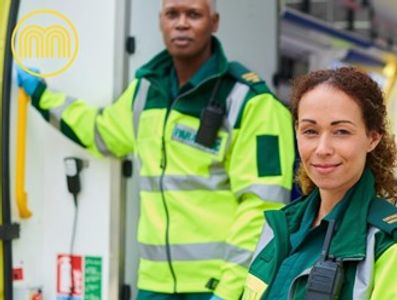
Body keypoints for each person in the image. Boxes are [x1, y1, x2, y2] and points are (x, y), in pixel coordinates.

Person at [17, 0, 295, 299]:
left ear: (214, 23)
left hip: (216, 287)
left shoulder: (252, 103)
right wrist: (43, 97)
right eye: (172, 14)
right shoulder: (147, 91)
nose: (182, 23)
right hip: (155, 286)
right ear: (160, 21)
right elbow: (101, 132)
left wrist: (230, 290)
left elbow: (262, 208)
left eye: (194, 14)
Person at [242, 66, 397, 300]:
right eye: (310, 131)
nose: (322, 149)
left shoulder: (386, 244)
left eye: (341, 131)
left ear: (373, 138)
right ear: (296, 132)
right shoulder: (279, 226)